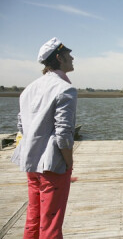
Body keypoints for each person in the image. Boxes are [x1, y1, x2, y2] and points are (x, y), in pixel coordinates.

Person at [11, 37, 77, 239]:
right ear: (59, 58)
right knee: (51, 224)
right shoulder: (65, 89)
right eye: (68, 55)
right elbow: (63, 134)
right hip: (52, 166)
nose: (72, 58)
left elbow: (21, 126)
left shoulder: (29, 89)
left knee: (34, 218)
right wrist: (69, 162)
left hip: (30, 163)